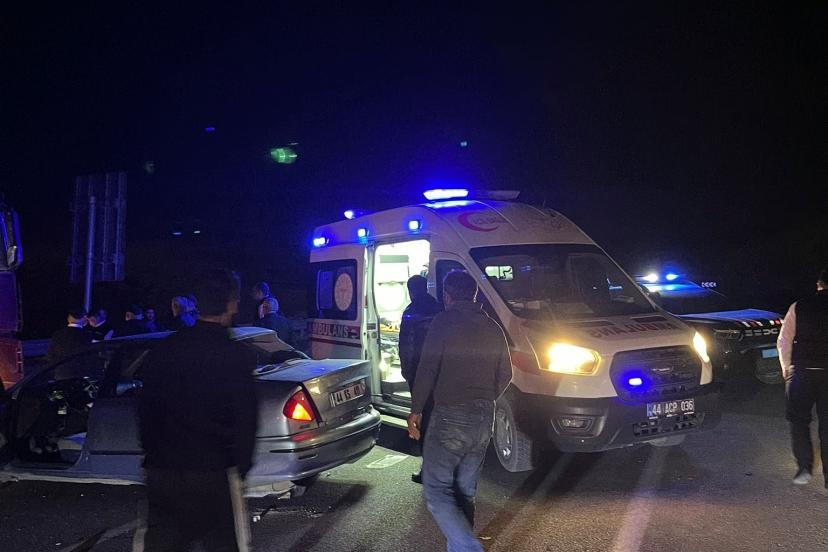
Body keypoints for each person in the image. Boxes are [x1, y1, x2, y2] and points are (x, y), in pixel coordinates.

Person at [135, 269, 258, 551]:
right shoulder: (234, 354)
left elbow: (145, 407)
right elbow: (245, 417)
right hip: (211, 468)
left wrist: (151, 453)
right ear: (232, 304)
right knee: (220, 543)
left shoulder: (165, 349)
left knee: (164, 542)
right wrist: (242, 465)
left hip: (162, 467)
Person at [408, 271, 512, 552]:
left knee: (436, 490)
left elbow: (428, 368)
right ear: (475, 295)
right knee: (465, 492)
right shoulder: (492, 327)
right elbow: (507, 373)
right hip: (484, 417)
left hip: (451, 416)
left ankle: (469, 548)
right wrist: (486, 398)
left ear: (447, 295)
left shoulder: (444, 322)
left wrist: (416, 410)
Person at [778, 266, 828, 488]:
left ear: (818, 285)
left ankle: (804, 468)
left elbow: (784, 340)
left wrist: (787, 368)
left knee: (799, 422)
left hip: (802, 372)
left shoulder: (798, 306)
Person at [398, 274, 442, 483]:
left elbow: (406, 345)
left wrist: (406, 371)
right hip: (440, 373)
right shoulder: (438, 308)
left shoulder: (411, 312)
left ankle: (428, 469)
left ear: (411, 291)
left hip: (419, 372)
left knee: (422, 418)